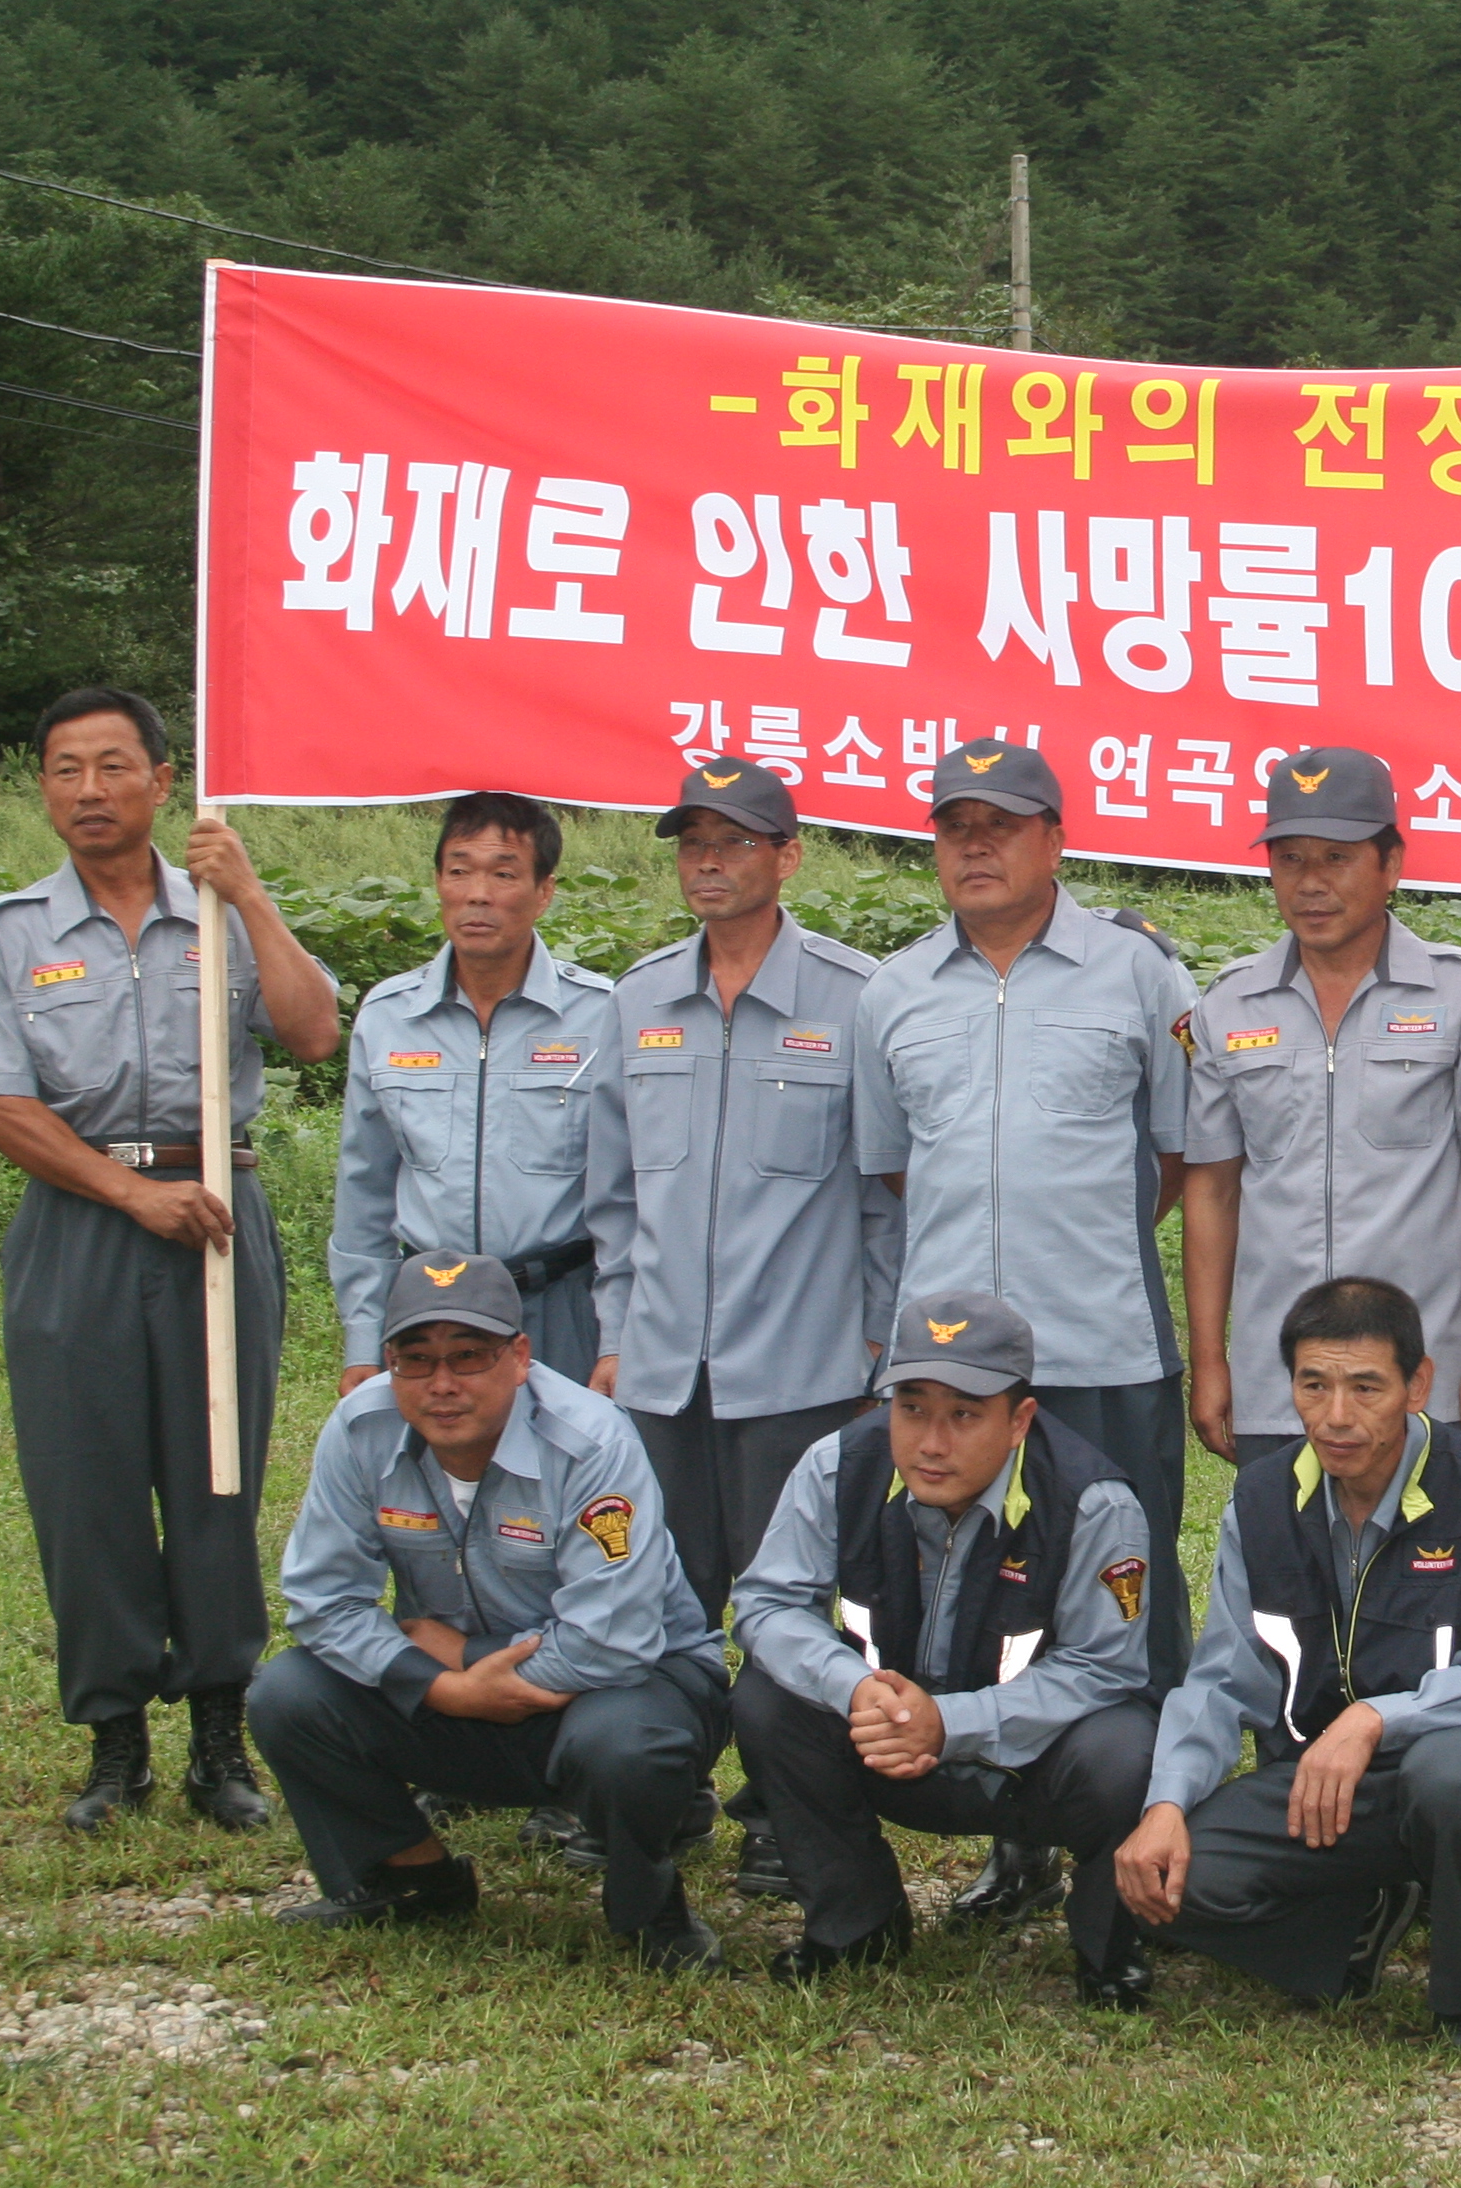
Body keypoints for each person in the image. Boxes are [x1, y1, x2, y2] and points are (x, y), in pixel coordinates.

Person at [0, 686, 341, 1833]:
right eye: (65, 769)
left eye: (114, 766)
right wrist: (129, 1194)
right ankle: (114, 1742)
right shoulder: (15, 931)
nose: (90, 790)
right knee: (86, 1485)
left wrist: (251, 895)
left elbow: (314, 1032)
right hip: (79, 1224)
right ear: (43, 788)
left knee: (218, 1474)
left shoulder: (215, 909)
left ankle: (220, 1739)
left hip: (217, 1214)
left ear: (164, 783)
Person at [850, 738, 1199, 1923]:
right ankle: (1017, 1840)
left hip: (1104, 1346)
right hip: (954, 1375)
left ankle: (1148, 1845)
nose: (976, 846)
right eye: (956, 827)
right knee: (978, 1598)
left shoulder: (1139, 974)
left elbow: (1180, 1155)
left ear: (1056, 839)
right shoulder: (894, 992)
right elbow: (895, 1168)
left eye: (1001, 825)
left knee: (1130, 1595)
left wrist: (1076, 1230)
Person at [584, 753, 900, 1898]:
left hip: (804, 1370)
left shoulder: (857, 999)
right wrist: (614, 1334)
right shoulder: (637, 1002)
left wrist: (879, 1344)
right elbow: (613, 1199)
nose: (708, 862)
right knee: (655, 1595)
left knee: (797, 1606)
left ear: (788, 856)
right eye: (692, 843)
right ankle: (663, 1792)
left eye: (734, 841)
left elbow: (884, 1199)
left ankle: (782, 1805)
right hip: (662, 1368)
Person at [249, 1253, 730, 1969]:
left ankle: (650, 1909)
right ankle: (412, 1879)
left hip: (616, 1689)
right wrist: (447, 1688)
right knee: (287, 1693)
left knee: (628, 1745)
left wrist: (463, 1658)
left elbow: (612, 1642)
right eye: (416, 1359)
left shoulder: (593, 1441)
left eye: (469, 1356)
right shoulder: (359, 1429)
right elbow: (322, 1600)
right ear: (391, 1363)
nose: (442, 1384)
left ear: (520, 1356)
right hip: (459, 1695)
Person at [1114, 1277, 1461, 2051]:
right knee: (1169, 1882)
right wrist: (1165, 1805)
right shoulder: (1261, 1501)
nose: (1337, 1416)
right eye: (1313, 1386)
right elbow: (1221, 1678)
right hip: (1319, 1785)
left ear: (1418, 1385)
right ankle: (1358, 1922)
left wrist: (1374, 1720)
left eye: (1366, 1387)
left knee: (1448, 1778)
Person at [728, 1290, 1162, 2008]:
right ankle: (856, 1926)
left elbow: (1105, 1666)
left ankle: (1107, 1950)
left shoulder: (1094, 1502)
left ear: (1019, 1420)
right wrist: (853, 1687)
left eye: (963, 1415)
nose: (931, 1443)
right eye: (912, 1408)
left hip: (1022, 1761)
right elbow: (768, 1603)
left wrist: (951, 1723)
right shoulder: (838, 1465)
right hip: (880, 1737)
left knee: (1124, 1751)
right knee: (767, 1699)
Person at [1178, 748, 1461, 1463]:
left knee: (1428, 1537)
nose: (1311, 883)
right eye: (1290, 860)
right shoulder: (1229, 1005)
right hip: (1280, 1381)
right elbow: (1211, 1191)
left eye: (1337, 858)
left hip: (1422, 1375)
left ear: (1390, 865)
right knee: (1283, 1536)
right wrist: (1210, 1358)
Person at [330, 792, 615, 1387]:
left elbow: (629, 1198)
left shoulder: (601, 1016)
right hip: (429, 1313)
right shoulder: (389, 1017)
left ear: (544, 891)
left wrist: (615, 1336)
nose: (477, 894)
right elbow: (364, 1193)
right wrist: (362, 1341)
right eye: (459, 871)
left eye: (503, 874)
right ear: (438, 882)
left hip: (562, 1307)